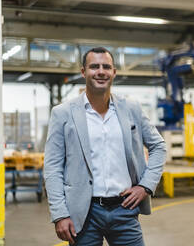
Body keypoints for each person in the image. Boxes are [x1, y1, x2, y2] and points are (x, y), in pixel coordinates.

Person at [44, 47, 166, 245]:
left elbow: (158, 146)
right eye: (94, 67)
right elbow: (52, 167)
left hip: (125, 210)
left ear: (114, 72)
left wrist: (145, 186)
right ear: (83, 72)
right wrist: (59, 214)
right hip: (84, 213)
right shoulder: (63, 114)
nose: (100, 71)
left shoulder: (131, 109)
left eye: (106, 67)